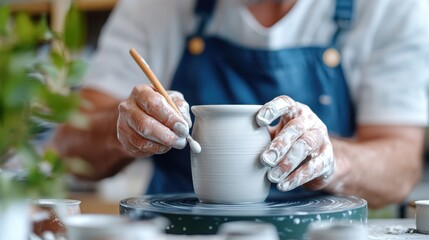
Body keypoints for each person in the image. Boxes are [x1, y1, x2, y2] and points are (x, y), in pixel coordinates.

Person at [53, 0, 429, 209]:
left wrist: (332, 162)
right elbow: (68, 146)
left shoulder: (390, 7)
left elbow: (401, 162)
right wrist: (122, 130)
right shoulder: (155, 6)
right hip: (176, 232)